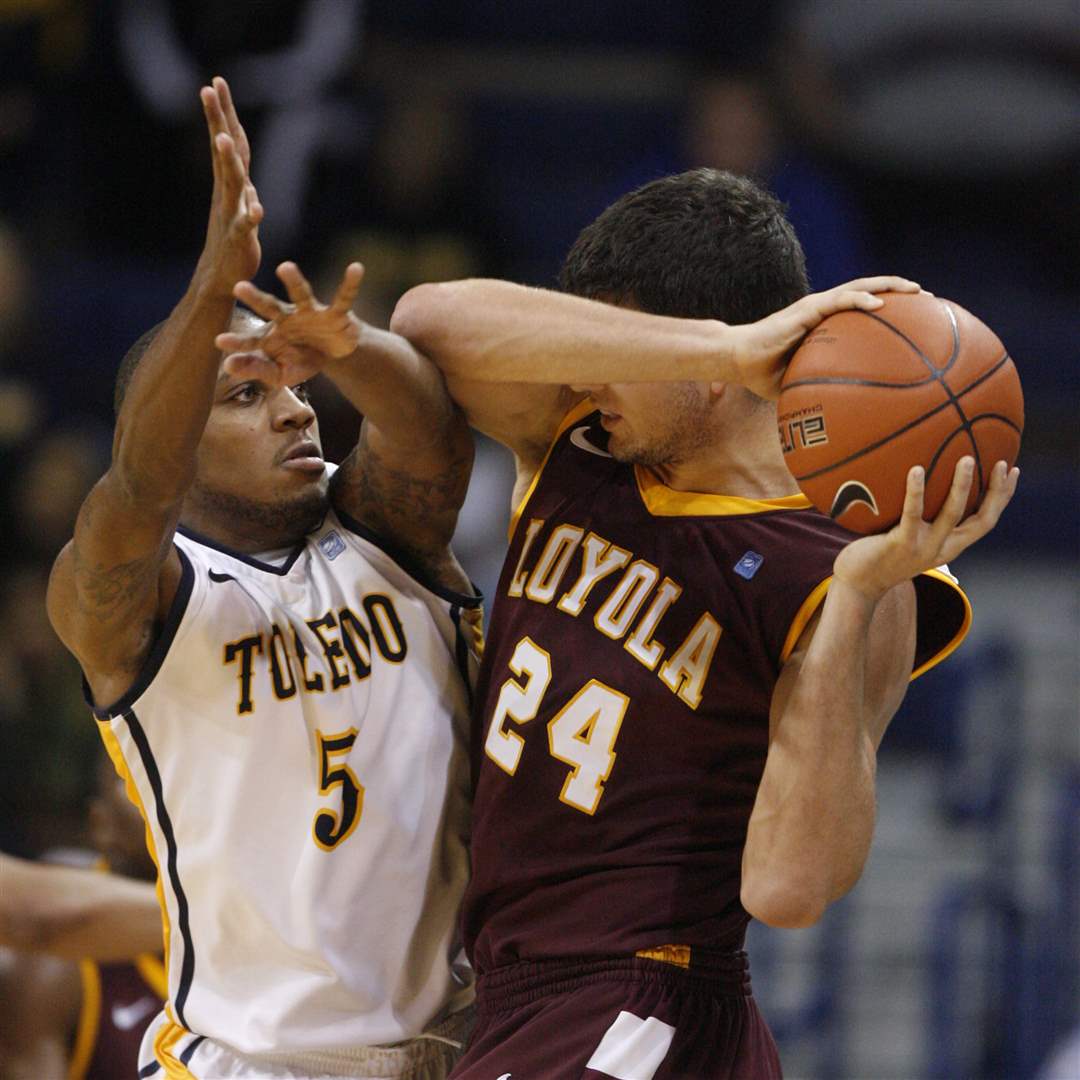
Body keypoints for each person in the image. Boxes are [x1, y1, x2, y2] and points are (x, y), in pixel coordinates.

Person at [381, 169, 1018, 1077]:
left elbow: (788, 888)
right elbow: (426, 320)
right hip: (511, 992)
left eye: (627, 344)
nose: (589, 366)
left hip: (645, 1001)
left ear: (715, 385)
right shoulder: (583, 438)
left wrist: (855, 599)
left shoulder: (848, 571)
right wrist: (715, 349)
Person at [45, 77, 480, 1079]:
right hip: (248, 1063)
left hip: (452, 1047)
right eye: (246, 397)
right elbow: (134, 492)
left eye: (291, 389)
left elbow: (433, 440)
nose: (295, 411)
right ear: (178, 438)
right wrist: (212, 287)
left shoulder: (379, 531)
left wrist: (352, 346)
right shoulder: (137, 601)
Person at [0, 758, 164, 1080]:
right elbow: (27, 914)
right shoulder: (57, 965)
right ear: (100, 823)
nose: (161, 791)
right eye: (133, 778)